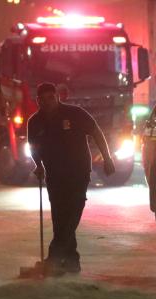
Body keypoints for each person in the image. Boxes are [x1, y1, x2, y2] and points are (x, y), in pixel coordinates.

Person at [27, 83, 115, 275]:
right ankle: (72, 261)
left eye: (51, 98)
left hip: (78, 172)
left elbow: (96, 132)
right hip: (54, 175)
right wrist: (38, 165)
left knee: (73, 211)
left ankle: (54, 256)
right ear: (38, 101)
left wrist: (107, 158)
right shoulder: (35, 122)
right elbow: (33, 146)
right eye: (43, 100)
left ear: (57, 97)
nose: (47, 102)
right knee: (60, 217)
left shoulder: (75, 114)